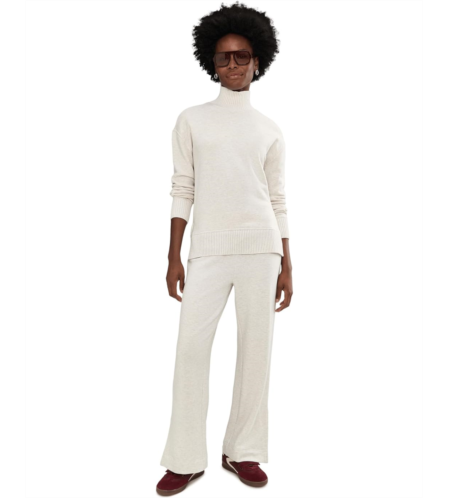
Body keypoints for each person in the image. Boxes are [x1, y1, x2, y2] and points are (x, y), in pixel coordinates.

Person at [157, 2, 293, 495]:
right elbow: (183, 187)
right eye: (223, 57)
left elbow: (277, 200)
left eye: (242, 57)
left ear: (258, 61)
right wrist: (173, 255)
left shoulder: (269, 129)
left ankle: (244, 450)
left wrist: (288, 263)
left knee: (256, 353)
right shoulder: (191, 120)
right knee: (191, 351)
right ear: (210, 63)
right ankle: (184, 457)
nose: (232, 65)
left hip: (262, 250)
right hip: (207, 251)